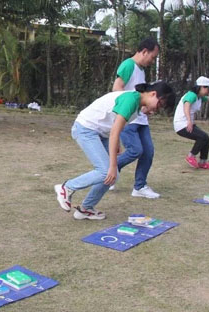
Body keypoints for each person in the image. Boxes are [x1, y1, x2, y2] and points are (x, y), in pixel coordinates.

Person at [54, 82, 175, 220]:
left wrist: (116, 146)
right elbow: (114, 133)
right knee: (106, 171)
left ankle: (86, 209)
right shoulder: (131, 100)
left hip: (101, 133)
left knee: (113, 176)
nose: (156, 110)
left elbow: (115, 126)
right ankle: (67, 187)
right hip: (86, 129)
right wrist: (112, 165)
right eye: (159, 105)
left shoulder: (137, 105)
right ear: (153, 94)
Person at [114, 38, 162, 199]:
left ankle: (139, 187)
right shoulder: (128, 65)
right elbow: (117, 88)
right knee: (135, 150)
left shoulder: (141, 70)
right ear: (144, 52)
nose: (152, 60)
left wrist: (146, 108)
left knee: (148, 152)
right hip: (128, 119)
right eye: (153, 57)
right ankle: (110, 170)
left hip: (141, 119)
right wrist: (126, 110)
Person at [174, 76, 209, 170]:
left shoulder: (199, 97)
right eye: (208, 88)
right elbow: (186, 105)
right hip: (181, 124)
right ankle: (191, 156)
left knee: (206, 138)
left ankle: (203, 162)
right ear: (202, 87)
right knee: (202, 137)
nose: (208, 91)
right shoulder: (191, 95)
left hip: (187, 123)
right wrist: (188, 121)